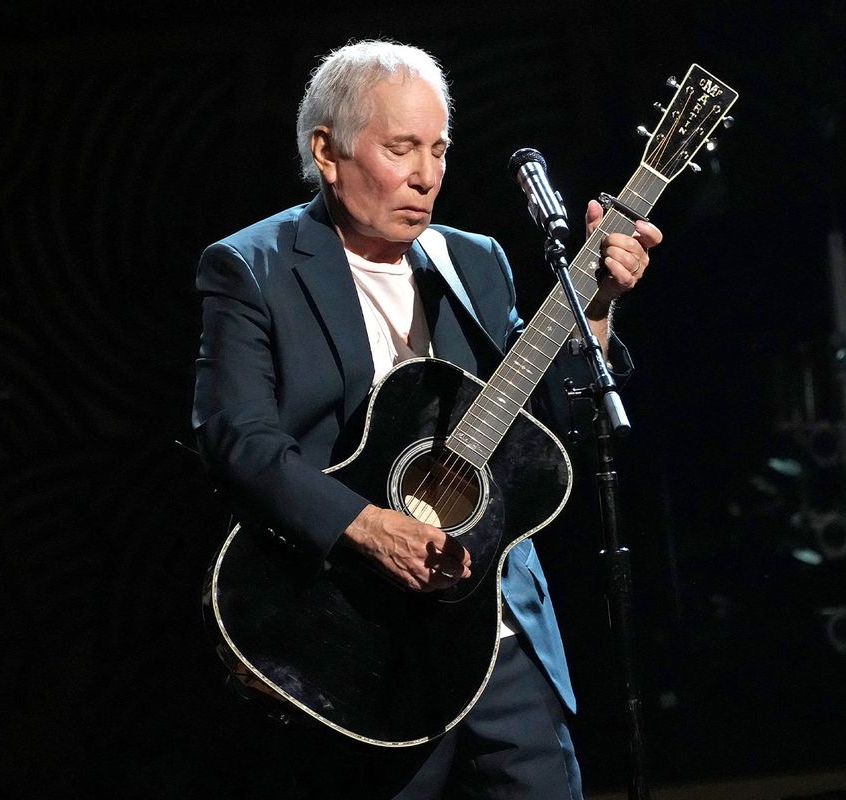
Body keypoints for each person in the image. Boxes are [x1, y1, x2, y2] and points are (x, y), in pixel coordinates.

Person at [192, 39, 660, 799]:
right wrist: (365, 525)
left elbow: (542, 431)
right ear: (329, 151)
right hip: (361, 643)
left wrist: (597, 311)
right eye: (401, 148)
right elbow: (236, 438)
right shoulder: (252, 267)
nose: (427, 175)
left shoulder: (474, 261)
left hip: (497, 629)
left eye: (439, 148)